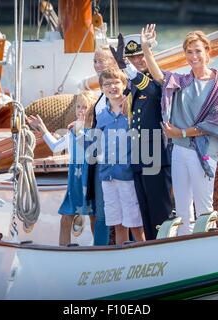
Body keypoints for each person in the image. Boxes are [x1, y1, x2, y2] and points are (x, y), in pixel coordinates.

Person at [140, 24, 218, 235]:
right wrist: (146, 49)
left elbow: (214, 123)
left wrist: (180, 133)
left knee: (204, 208)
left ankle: (207, 247)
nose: (193, 56)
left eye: (198, 51)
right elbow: (159, 77)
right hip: (180, 150)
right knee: (181, 208)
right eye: (189, 52)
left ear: (208, 52)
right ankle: (186, 249)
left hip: (204, 152)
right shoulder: (183, 81)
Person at [109, 33, 172, 240]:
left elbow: (152, 91)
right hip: (139, 156)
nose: (137, 61)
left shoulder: (157, 79)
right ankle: (152, 250)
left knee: (159, 212)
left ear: (149, 54)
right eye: (132, 58)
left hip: (155, 156)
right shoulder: (134, 85)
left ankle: (165, 249)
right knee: (145, 210)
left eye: (140, 56)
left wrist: (124, 65)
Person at [28, 91, 98, 246]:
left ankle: (99, 248)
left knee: (94, 217)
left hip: (90, 177)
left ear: (92, 109)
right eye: (78, 106)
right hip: (75, 179)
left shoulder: (97, 129)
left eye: (85, 107)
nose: (80, 110)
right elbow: (55, 146)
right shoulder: (73, 130)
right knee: (66, 217)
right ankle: (64, 250)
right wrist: (42, 128)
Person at [95, 68, 145, 245]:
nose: (112, 87)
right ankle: (121, 255)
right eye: (107, 84)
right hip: (107, 175)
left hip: (126, 174)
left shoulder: (131, 113)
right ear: (102, 89)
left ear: (124, 85)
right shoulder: (101, 116)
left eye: (116, 82)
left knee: (134, 221)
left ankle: (144, 250)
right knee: (116, 222)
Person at [86, 45, 119, 245]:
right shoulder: (101, 94)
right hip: (100, 159)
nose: (98, 65)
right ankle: (100, 250)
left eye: (102, 60)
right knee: (101, 212)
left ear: (114, 62)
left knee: (124, 210)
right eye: (95, 61)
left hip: (118, 160)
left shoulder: (118, 91)